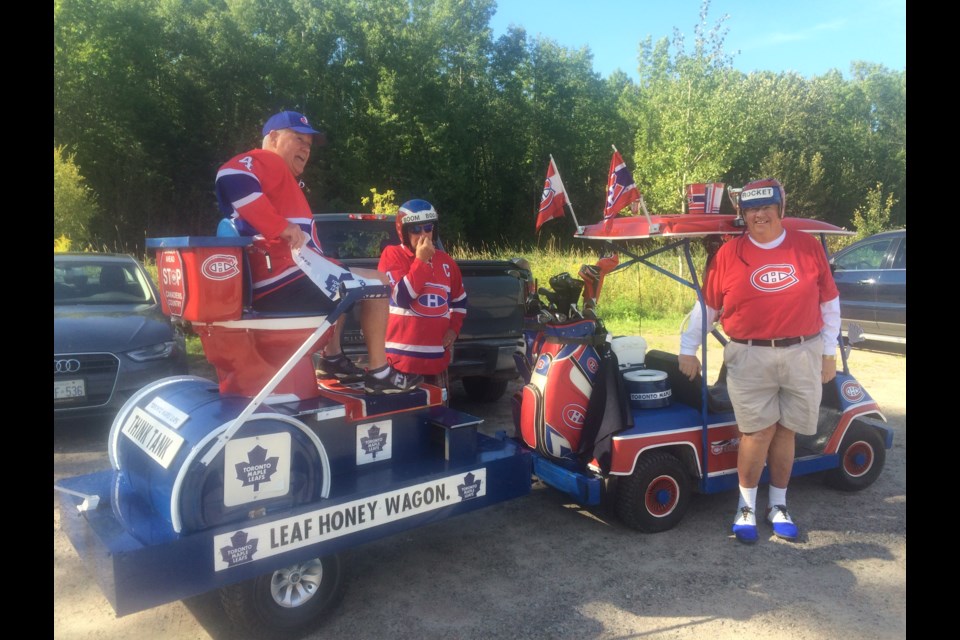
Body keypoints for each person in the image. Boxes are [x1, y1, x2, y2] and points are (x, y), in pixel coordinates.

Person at [678, 178, 840, 544]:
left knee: (786, 431)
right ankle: (747, 507)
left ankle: (778, 505)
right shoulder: (729, 254)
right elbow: (708, 307)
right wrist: (688, 347)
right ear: (743, 215)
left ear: (780, 209)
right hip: (749, 355)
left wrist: (829, 353)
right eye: (751, 209)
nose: (759, 215)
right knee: (755, 433)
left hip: (803, 352)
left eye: (766, 207)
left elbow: (829, 303)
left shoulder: (807, 248)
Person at [215, 110, 422, 395]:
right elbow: (230, 174)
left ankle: (333, 358)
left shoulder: (279, 178)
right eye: (298, 139)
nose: (305, 148)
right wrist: (280, 226)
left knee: (340, 274)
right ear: (273, 138)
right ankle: (379, 372)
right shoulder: (268, 160)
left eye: (309, 145)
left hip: (284, 281)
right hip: (284, 284)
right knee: (379, 283)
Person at [377, 199, 467, 396]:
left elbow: (460, 300)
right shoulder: (391, 256)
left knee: (438, 419)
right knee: (406, 422)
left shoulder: (446, 262)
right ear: (403, 232)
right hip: (401, 365)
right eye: (416, 229)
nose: (423, 235)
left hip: (436, 363)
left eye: (428, 228)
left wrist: (454, 328)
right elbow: (401, 297)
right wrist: (421, 261)